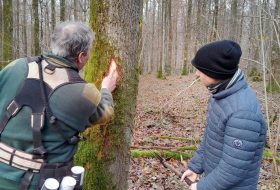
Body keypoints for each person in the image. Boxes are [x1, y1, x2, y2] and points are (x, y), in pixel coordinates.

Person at [0, 22, 117, 189]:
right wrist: (106, 88)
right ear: (82, 56)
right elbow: (106, 112)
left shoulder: (15, 66)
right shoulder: (83, 92)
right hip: (40, 182)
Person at [180, 40, 266, 190]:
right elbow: (210, 138)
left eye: (200, 69)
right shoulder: (221, 95)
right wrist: (195, 167)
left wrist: (202, 187)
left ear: (215, 72)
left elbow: (233, 169)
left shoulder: (243, 113)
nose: (196, 73)